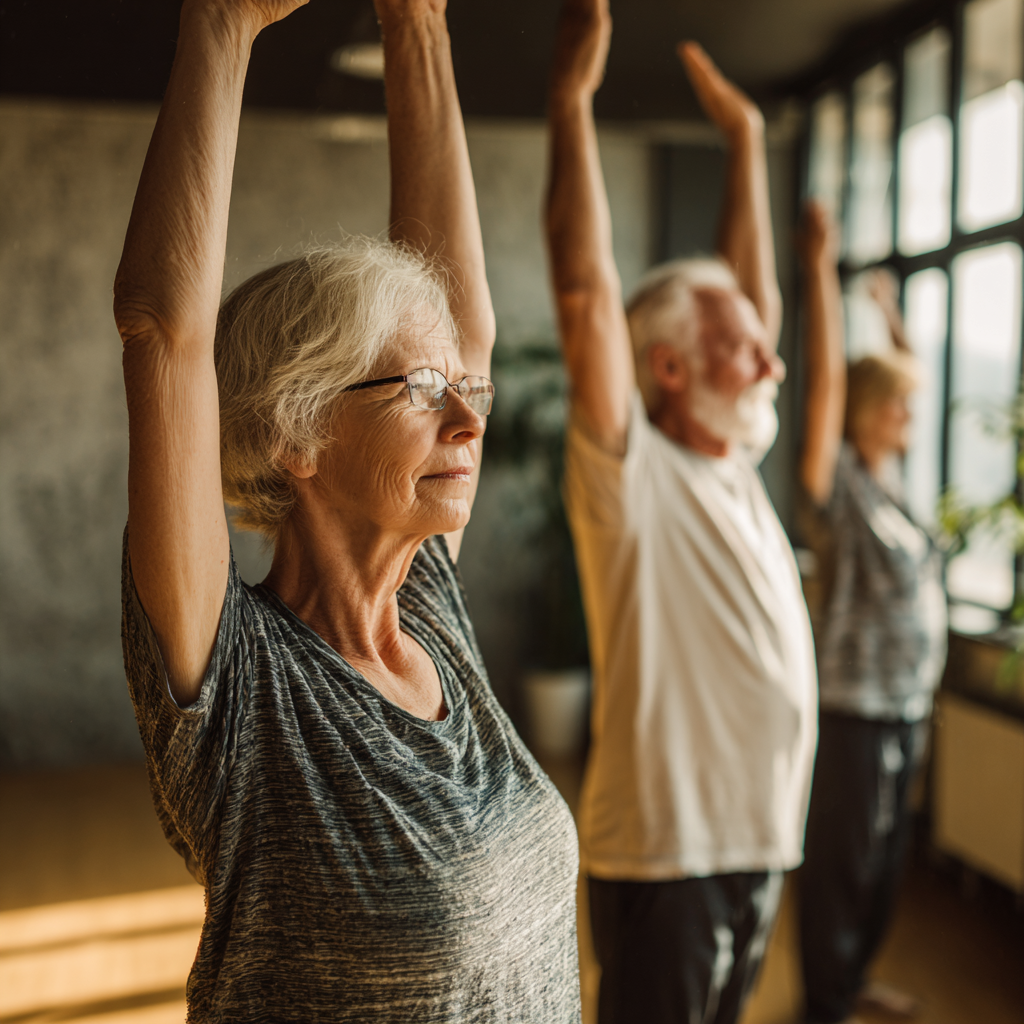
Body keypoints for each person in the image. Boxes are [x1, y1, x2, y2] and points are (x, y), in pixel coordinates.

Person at [113, 0, 581, 1019]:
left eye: (465, 389)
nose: (467, 419)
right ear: (297, 435)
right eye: (419, 391)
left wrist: (418, 26)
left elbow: (467, 321)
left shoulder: (428, 610)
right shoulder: (239, 685)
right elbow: (163, 334)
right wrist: (222, 27)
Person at [543, 1, 818, 1021]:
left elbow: (754, 303)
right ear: (666, 367)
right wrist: (570, 102)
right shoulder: (633, 476)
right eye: (744, 349)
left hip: (752, 843)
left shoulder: (733, 454)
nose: (771, 362)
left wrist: (746, 143)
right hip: (668, 860)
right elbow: (582, 293)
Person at [796, 202, 947, 1024]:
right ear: (861, 411)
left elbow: (908, 376)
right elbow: (826, 389)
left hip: (907, 707)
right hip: (854, 709)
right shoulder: (842, 488)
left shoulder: (896, 483)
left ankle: (852, 988)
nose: (907, 418)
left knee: (889, 865)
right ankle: (824, 1004)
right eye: (894, 405)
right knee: (843, 866)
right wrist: (822, 274)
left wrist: (890, 317)